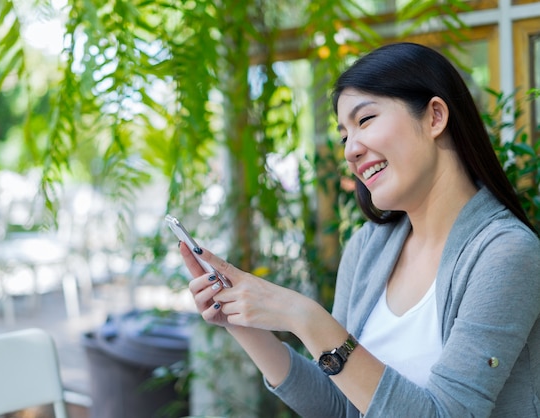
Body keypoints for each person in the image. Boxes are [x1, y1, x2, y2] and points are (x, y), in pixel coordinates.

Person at [178, 42, 540, 417]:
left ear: (435, 117)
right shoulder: (367, 247)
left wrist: (305, 317)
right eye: (344, 136)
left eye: (365, 120)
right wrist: (241, 321)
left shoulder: (506, 254)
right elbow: (340, 405)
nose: (350, 149)